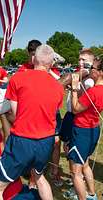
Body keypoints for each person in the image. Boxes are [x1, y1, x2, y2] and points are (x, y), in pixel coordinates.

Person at [0, 44, 64, 200]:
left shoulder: (18, 78)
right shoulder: (58, 87)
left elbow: (16, 114)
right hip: (46, 142)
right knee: (39, 178)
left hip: (22, 140)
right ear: (51, 63)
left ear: (33, 58)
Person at [68, 58, 103, 200]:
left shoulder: (94, 91)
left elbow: (76, 109)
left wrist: (75, 90)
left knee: (76, 171)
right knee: (85, 164)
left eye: (93, 68)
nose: (90, 70)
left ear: (100, 72)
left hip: (82, 131)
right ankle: (92, 194)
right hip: (94, 129)